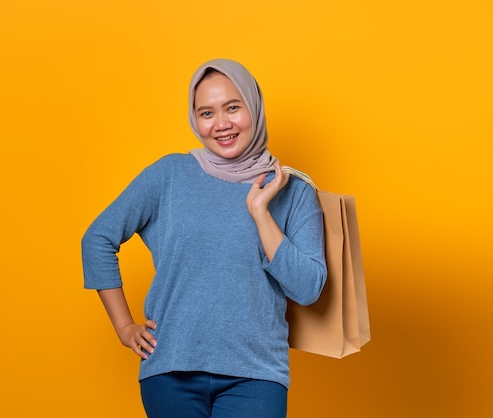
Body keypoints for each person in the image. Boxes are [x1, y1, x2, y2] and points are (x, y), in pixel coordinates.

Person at [81, 58, 327, 418]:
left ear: (253, 108)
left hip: (256, 375)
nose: (221, 124)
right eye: (206, 113)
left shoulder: (294, 190)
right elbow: (97, 238)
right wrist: (124, 326)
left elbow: (307, 289)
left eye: (232, 107)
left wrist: (260, 213)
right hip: (170, 371)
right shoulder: (169, 175)